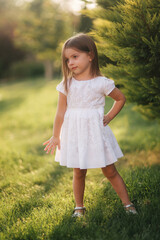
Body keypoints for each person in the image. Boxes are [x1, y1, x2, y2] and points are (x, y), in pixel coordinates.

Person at [43, 33, 137, 217]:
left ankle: (128, 205)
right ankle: (79, 207)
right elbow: (60, 112)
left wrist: (109, 116)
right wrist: (56, 135)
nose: (70, 62)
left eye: (75, 57)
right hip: (75, 133)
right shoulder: (67, 84)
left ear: (90, 55)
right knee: (78, 171)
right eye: (67, 59)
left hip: (95, 132)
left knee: (109, 170)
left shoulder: (101, 83)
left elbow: (120, 98)